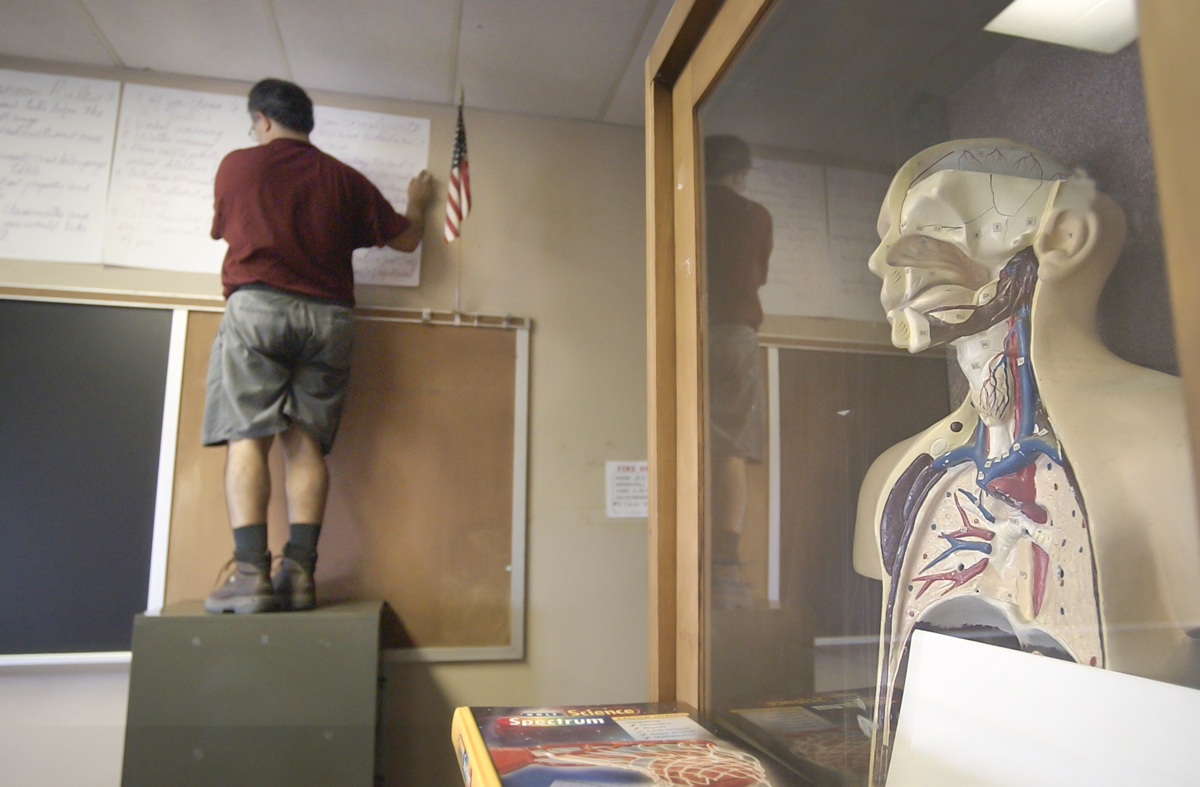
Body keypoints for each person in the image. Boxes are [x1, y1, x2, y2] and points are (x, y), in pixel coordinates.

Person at [852, 139, 1200, 784]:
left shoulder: (1175, 443)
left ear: (1067, 234)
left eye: (935, 221)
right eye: (888, 235)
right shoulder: (898, 483)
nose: (884, 259)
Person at [202, 78, 434, 614]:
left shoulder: (238, 166)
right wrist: (418, 203)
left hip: (258, 309)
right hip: (329, 319)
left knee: (248, 438)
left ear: (262, 119)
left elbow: (222, 230)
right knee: (305, 444)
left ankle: (251, 577)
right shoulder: (345, 181)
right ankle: (300, 575)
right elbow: (406, 238)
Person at [704, 135, 772, 608]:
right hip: (734, 334)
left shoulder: (688, 207)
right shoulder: (755, 216)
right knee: (733, 445)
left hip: (688, 331)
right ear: (739, 172)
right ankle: (725, 564)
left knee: (689, 439)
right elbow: (758, 275)